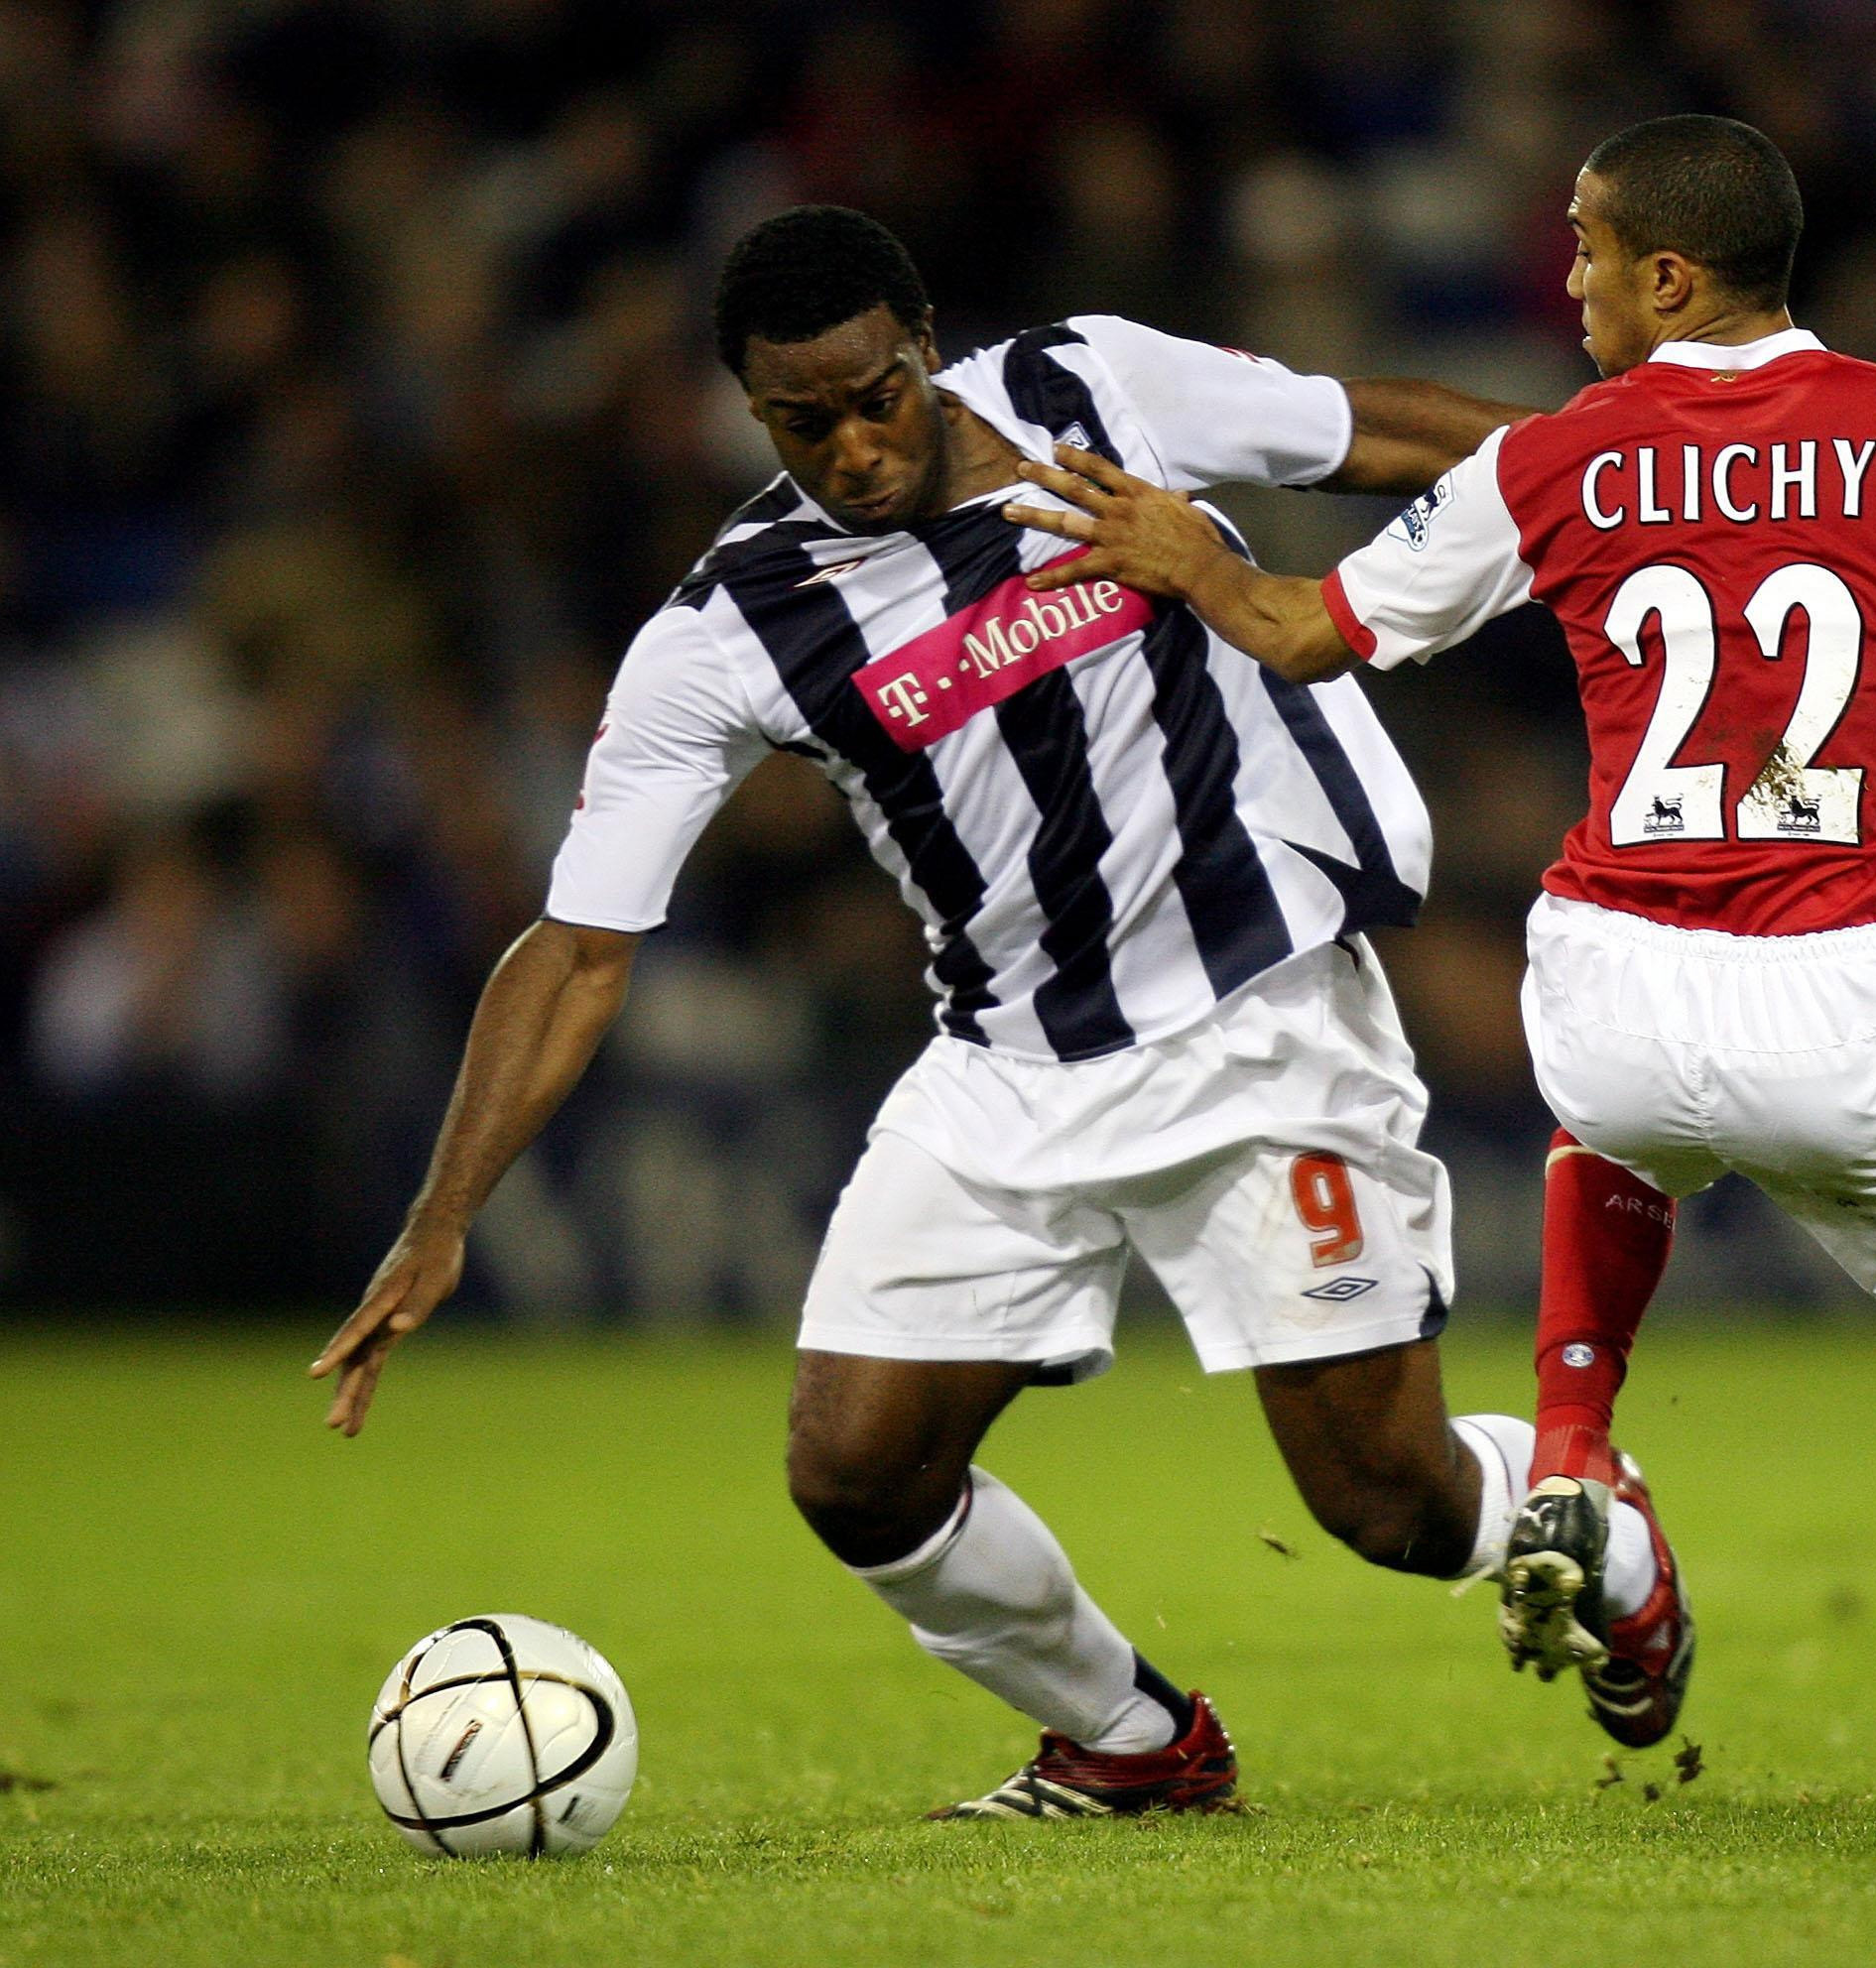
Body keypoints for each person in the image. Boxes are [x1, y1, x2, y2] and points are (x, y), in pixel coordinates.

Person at [307, 204, 1647, 1819]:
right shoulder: (728, 630)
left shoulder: (1100, 389)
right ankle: (1138, 1744)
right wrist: (445, 1211)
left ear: (925, 344)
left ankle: (1599, 1529)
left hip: (1264, 1018)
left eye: (877, 396)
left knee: (1392, 1508)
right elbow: (580, 944)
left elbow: (1385, 432)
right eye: (804, 422)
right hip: (1009, 1062)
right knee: (856, 1470)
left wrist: (1630, 468)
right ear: (751, 411)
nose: (856, 446)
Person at [1008, 115, 1876, 1820]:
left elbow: (1306, 633)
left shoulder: (1562, 455)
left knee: (1614, 1136)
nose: (1572, 277)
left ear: (1672, 274)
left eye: (1592, 248)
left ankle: (1577, 1460)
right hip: (1856, 993)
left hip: (1614, 982)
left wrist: (1192, 555)